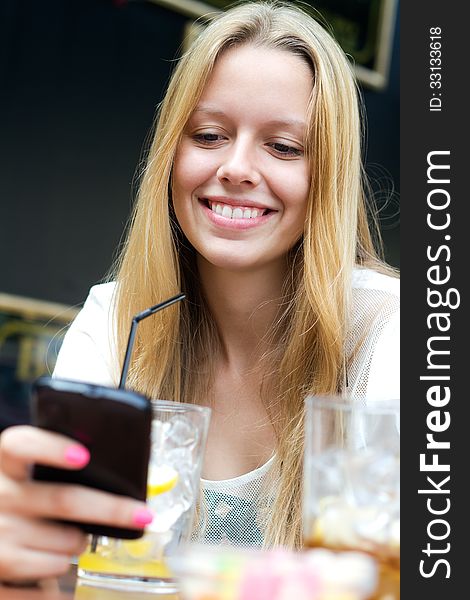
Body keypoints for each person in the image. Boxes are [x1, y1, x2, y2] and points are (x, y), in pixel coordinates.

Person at [0, 0, 399, 583]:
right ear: (171, 154)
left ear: (328, 175)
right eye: (209, 135)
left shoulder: (395, 331)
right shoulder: (115, 317)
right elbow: (61, 579)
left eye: (284, 147)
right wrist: (18, 567)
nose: (237, 167)